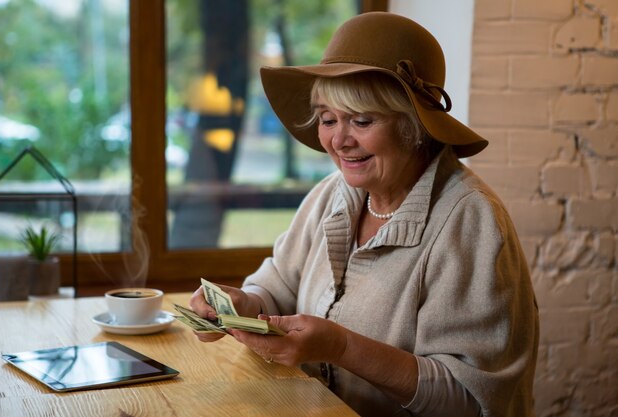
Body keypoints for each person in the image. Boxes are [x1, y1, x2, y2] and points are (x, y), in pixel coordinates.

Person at [189, 11, 538, 417]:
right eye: (327, 119)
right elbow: (280, 285)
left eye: (362, 120)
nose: (339, 141)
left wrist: (343, 347)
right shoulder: (331, 195)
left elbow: (470, 401)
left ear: (415, 126)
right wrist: (245, 305)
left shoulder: (470, 222)